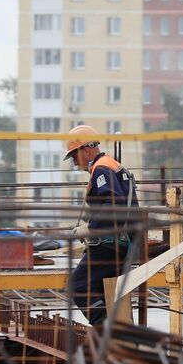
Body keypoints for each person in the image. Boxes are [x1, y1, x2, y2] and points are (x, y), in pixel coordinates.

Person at [64, 124, 139, 325]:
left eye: (74, 156)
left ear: (86, 149)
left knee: (78, 285)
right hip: (122, 241)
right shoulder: (110, 165)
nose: (74, 163)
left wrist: (90, 228)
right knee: (103, 289)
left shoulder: (102, 169)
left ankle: (105, 327)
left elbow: (113, 204)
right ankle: (118, 328)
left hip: (111, 243)